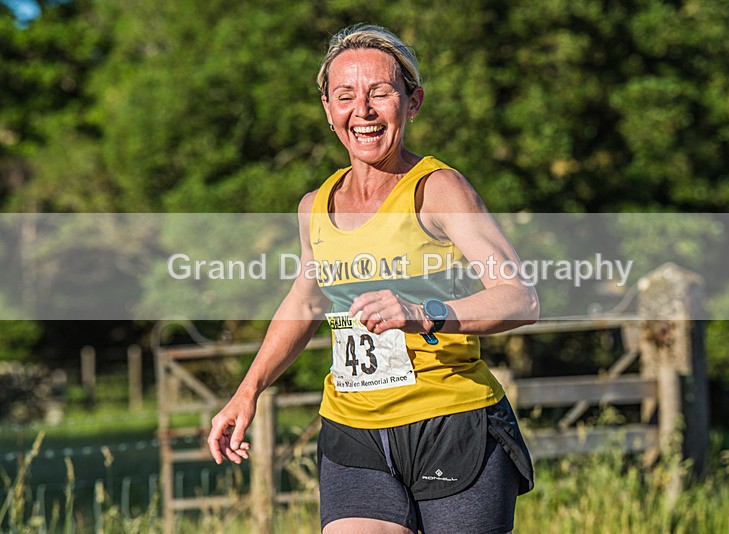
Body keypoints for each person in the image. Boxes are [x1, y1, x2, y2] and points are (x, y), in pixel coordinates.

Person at [208, 24, 539, 534]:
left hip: (450, 422)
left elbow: (520, 298)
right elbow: (305, 303)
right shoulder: (313, 207)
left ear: (412, 102)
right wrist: (247, 391)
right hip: (354, 429)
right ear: (328, 109)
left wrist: (422, 314)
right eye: (345, 96)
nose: (362, 111)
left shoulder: (438, 189)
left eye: (380, 93)